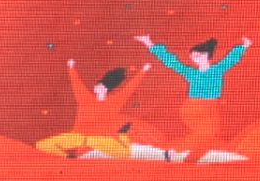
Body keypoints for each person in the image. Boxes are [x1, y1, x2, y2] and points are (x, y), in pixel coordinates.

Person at [135, 33, 250, 161]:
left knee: (210, 135)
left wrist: (243, 46)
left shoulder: (217, 70)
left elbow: (231, 59)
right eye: (193, 57)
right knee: (206, 133)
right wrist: (149, 43)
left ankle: (190, 159)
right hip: (194, 107)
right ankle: (174, 150)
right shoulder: (191, 73)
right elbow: (172, 62)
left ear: (206, 55)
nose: (194, 59)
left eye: (197, 55)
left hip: (211, 108)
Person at [33, 59, 163, 160]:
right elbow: (77, 84)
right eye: (97, 85)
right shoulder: (85, 98)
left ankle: (164, 155)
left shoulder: (114, 102)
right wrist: (71, 68)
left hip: (100, 143)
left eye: (100, 85)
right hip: (80, 140)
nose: (96, 87)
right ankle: (69, 159)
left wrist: (143, 71)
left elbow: (129, 89)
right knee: (42, 145)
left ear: (105, 88)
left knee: (127, 151)